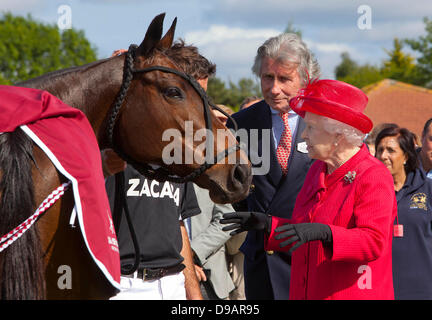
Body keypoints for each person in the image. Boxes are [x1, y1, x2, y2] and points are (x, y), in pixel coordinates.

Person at [222, 79, 397, 300]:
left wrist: (326, 233)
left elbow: (374, 241)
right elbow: (305, 230)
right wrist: (269, 225)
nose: (303, 135)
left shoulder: (372, 174)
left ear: (337, 135)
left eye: (311, 128)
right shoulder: (317, 170)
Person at [105, 40, 216, 300]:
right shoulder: (114, 139)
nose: (198, 110)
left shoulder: (181, 153)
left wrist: (193, 294)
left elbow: (179, 225)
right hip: (121, 285)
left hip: (172, 283)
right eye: (189, 96)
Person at [225, 33, 319, 299]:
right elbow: (235, 189)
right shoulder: (239, 125)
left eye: (284, 79)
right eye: (268, 77)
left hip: (311, 260)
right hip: (261, 264)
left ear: (305, 79)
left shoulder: (324, 122)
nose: (274, 88)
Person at [375, 126, 432, 299]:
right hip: (378, 288)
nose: (383, 156)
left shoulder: (428, 189)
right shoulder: (368, 191)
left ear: (406, 156)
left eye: (391, 150)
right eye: (380, 150)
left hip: (421, 290)